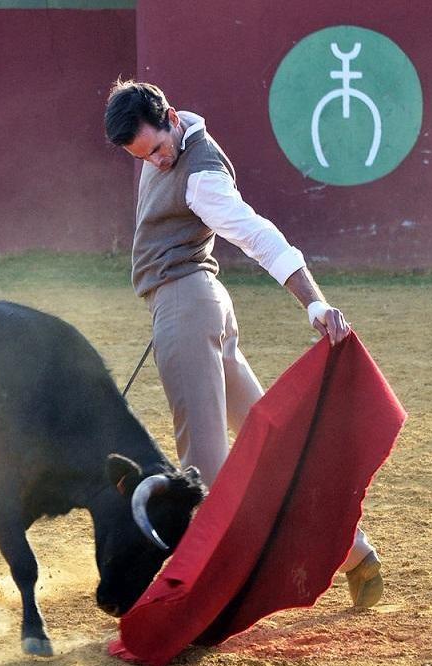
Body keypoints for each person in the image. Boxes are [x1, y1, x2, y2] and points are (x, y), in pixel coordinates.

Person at [104, 80, 383, 608]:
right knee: (271, 448)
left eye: (159, 150)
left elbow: (258, 236)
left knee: (203, 471)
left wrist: (314, 303)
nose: (158, 164)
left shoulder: (203, 175)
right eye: (145, 158)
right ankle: (356, 555)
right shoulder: (169, 133)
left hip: (188, 311)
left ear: (169, 118)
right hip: (199, 307)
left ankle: (201, 603)